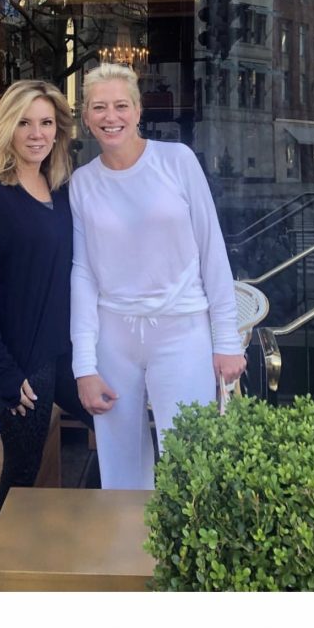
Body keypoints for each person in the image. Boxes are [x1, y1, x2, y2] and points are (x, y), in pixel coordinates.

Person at [70, 63, 246, 490]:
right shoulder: (82, 183)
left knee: (192, 458)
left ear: (137, 109)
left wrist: (226, 340)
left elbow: (211, 251)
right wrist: (84, 366)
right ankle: (126, 551)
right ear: (86, 115)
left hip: (182, 330)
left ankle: (190, 554)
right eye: (99, 107)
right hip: (114, 335)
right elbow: (83, 273)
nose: (111, 117)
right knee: (120, 463)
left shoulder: (177, 161)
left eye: (120, 105)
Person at [0, 79, 92, 518]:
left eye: (47, 123)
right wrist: (2, 369)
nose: (37, 133)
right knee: (22, 472)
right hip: (18, 358)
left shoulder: (63, 189)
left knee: (115, 429)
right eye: (25, 122)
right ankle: (3, 577)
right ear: (7, 128)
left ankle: (75, 540)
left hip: (68, 351)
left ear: (59, 130)